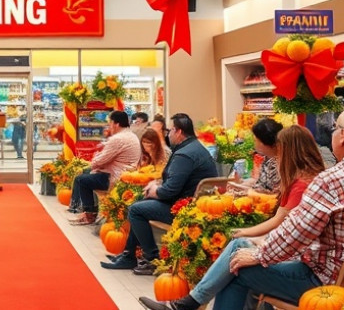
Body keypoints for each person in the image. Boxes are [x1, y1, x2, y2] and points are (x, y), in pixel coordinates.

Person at [205, 107, 344, 309]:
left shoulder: (332, 180)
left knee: (237, 268)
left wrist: (259, 255)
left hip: (330, 287)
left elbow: (295, 234)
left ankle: (191, 302)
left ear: (343, 135)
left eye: (334, 128)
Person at [138, 124, 326, 310]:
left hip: (304, 265)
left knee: (237, 255)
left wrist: (254, 242)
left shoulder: (301, 185)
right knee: (237, 261)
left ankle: (190, 302)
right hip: (306, 259)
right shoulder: (311, 180)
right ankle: (188, 303)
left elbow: (286, 230)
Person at [102, 113, 218, 274]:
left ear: (178, 132)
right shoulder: (196, 148)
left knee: (136, 209)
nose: (167, 133)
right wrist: (156, 185)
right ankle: (129, 255)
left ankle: (152, 258)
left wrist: (155, 190)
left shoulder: (184, 154)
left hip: (182, 209)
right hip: (192, 205)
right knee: (139, 203)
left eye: (170, 130)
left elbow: (169, 191)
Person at [69, 111, 142, 225]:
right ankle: (82, 209)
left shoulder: (118, 138)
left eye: (110, 123)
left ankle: (89, 214)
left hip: (115, 177)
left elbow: (100, 161)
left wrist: (96, 160)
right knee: (88, 173)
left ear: (116, 124)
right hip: (127, 175)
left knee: (81, 179)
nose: (109, 126)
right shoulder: (132, 135)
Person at [248, 118, 283, 194]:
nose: (254, 143)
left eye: (256, 140)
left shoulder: (280, 165)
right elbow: (260, 186)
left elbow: (273, 194)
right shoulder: (267, 159)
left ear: (263, 142)